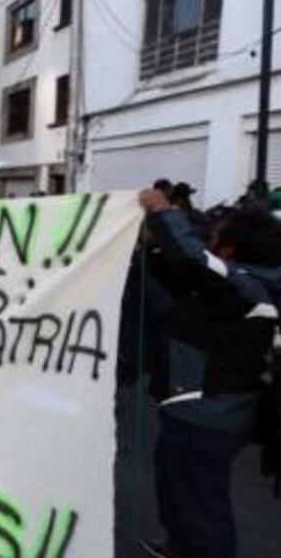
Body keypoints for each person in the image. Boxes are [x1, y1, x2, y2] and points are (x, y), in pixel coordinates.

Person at [139, 189, 281, 558]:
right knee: (175, 489)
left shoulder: (249, 288)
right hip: (189, 406)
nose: (211, 241)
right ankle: (180, 547)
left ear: (230, 251)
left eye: (216, 238)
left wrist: (164, 213)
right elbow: (177, 271)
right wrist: (154, 243)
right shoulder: (234, 286)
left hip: (209, 414)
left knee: (202, 505)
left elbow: (193, 258)